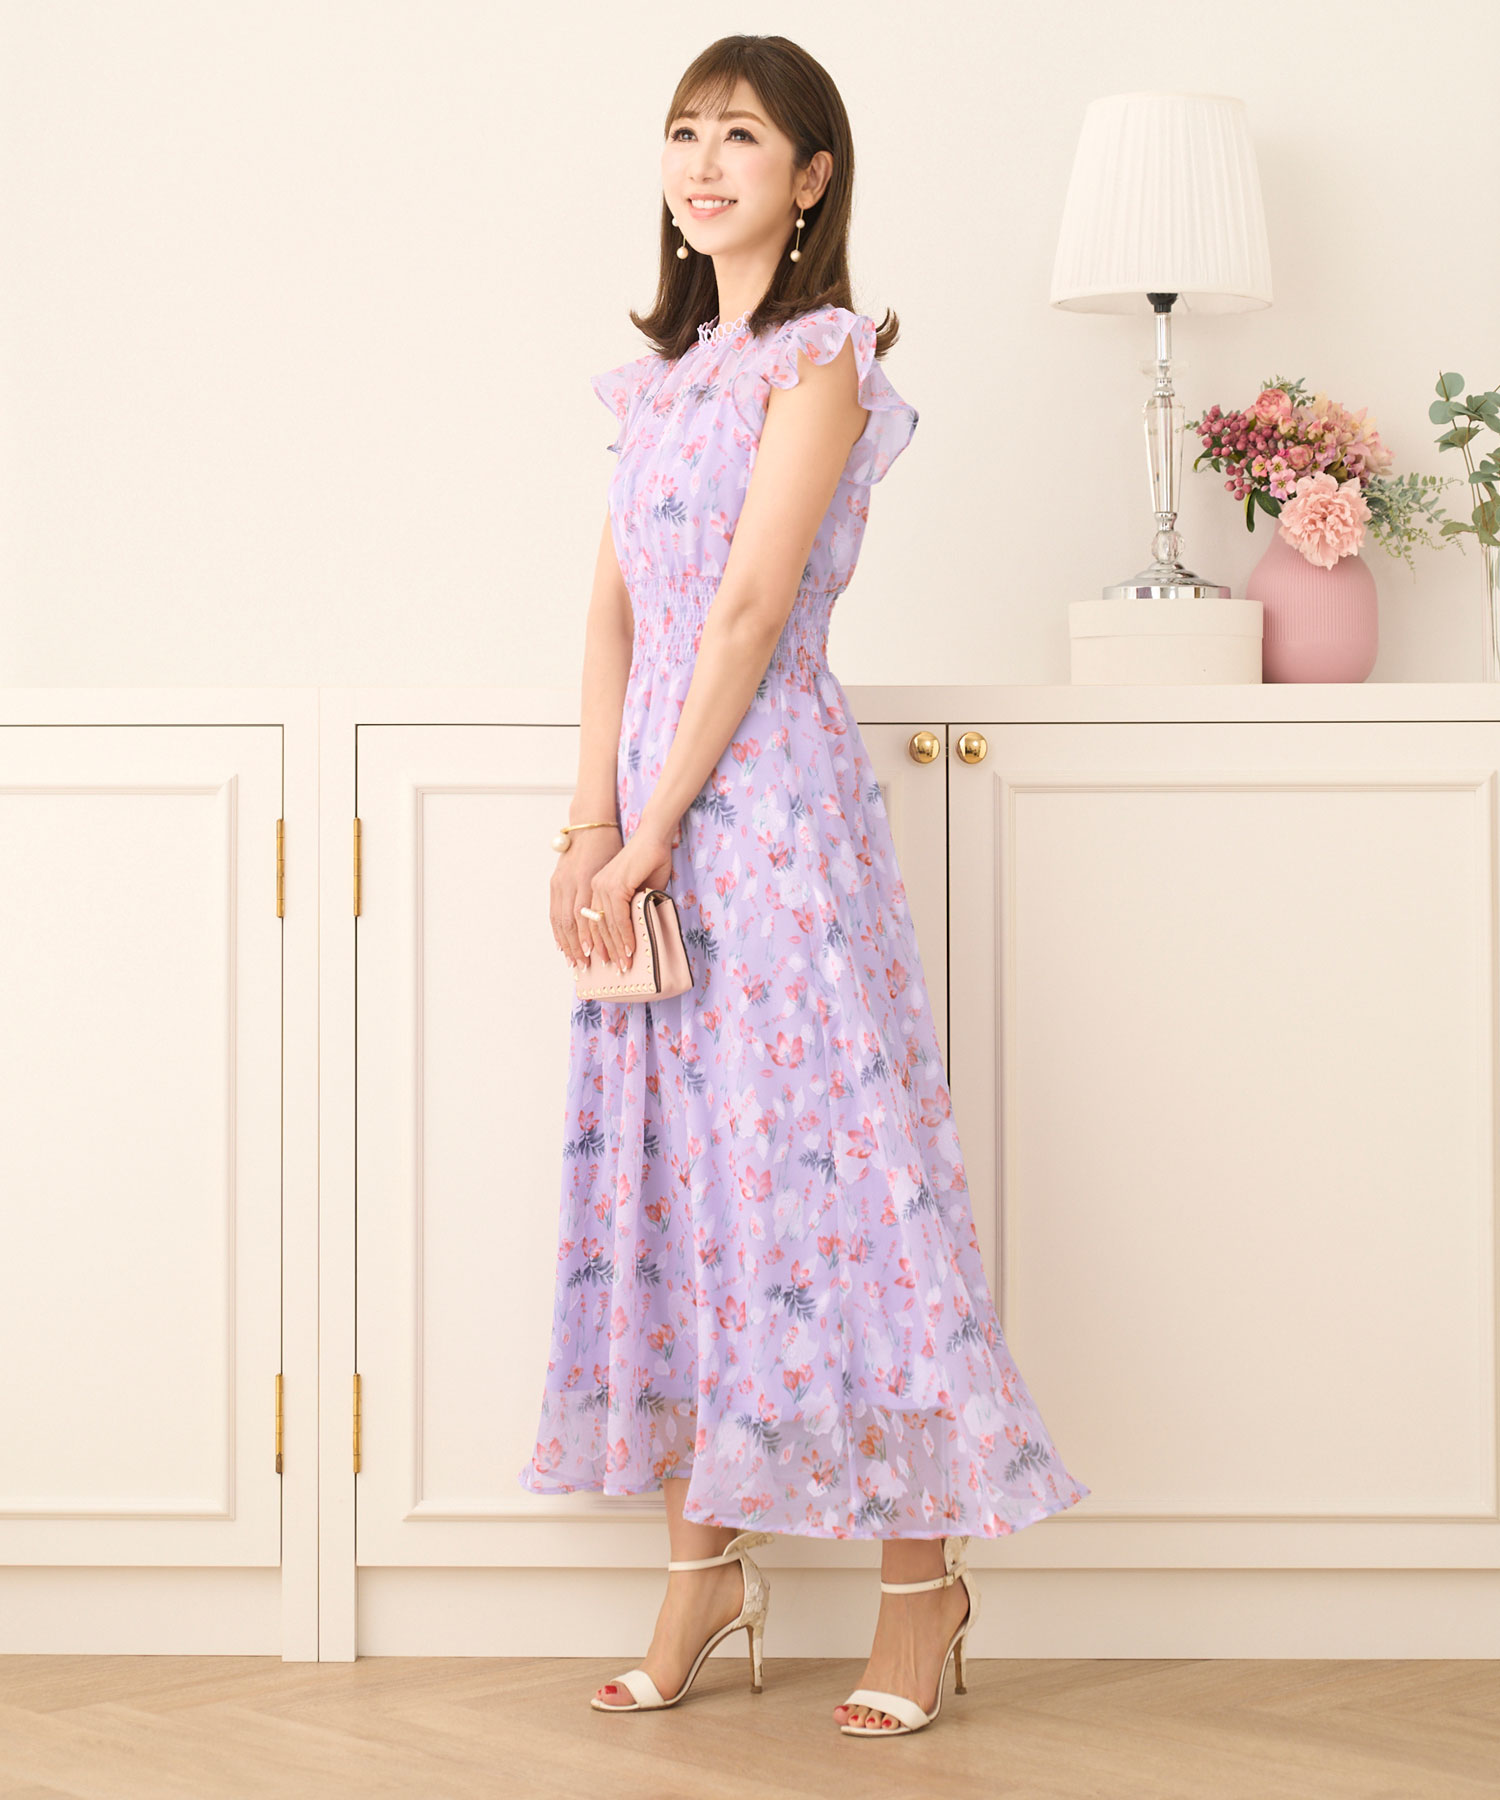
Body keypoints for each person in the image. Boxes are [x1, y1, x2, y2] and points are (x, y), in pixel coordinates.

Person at [518, 33, 1090, 1738]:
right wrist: (586, 824)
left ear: (811, 174)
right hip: (651, 812)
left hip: (766, 813)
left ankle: (923, 1590)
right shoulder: (658, 384)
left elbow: (753, 611)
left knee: (850, 1188)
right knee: (688, 1194)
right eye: (684, 134)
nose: (704, 165)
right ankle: (703, 1578)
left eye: (743, 137)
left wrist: (652, 829)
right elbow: (614, 616)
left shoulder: (823, 359)